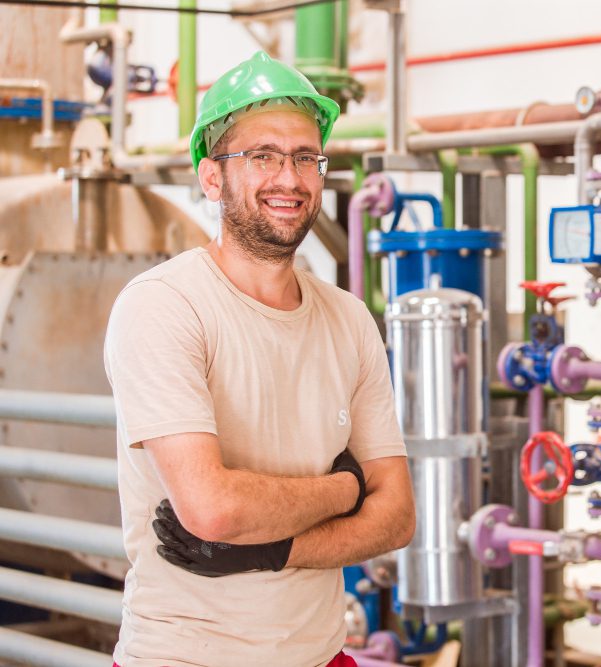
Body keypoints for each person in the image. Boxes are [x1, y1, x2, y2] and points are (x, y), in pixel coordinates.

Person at [104, 51, 414, 667]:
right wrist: (347, 487)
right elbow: (213, 509)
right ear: (211, 177)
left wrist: (272, 548)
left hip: (322, 654)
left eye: (305, 158)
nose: (290, 179)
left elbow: (398, 515)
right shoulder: (165, 306)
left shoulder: (349, 320)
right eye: (263, 156)